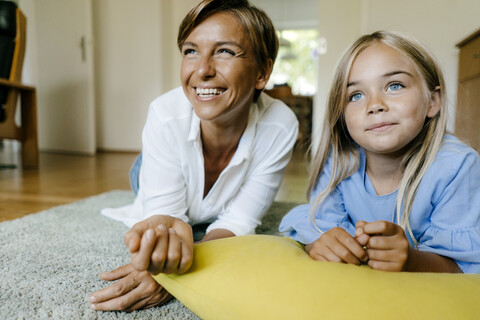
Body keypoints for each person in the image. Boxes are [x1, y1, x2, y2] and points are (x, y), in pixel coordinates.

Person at [89, 0, 298, 311]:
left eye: (225, 51)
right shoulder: (164, 114)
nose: (202, 70)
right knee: (147, 178)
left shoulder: (281, 126)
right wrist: (165, 241)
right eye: (191, 51)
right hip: (154, 163)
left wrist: (176, 275)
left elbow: (240, 220)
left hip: (202, 176)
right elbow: (168, 223)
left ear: (262, 72)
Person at [280, 31, 480, 273]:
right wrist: (319, 245)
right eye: (356, 95)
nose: (375, 105)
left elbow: (462, 267)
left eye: (394, 86)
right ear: (342, 116)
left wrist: (411, 260)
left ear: (432, 101)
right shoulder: (341, 160)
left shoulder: (457, 165)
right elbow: (320, 226)